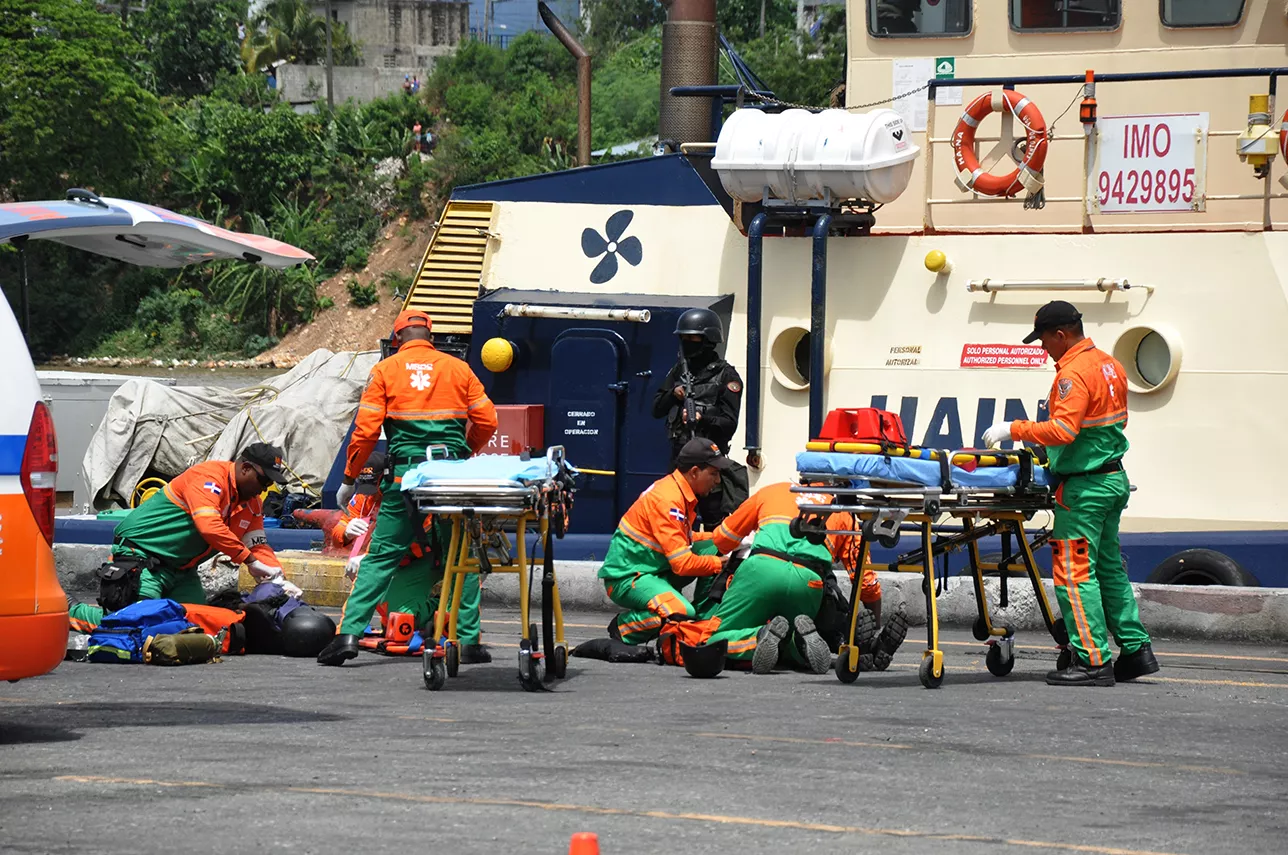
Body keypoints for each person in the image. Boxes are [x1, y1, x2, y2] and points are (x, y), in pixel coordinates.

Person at [982, 300, 1158, 687]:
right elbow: (1105, 426)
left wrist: (1015, 428)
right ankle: (1135, 650)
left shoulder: (1073, 374)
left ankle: (1093, 661)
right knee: (1109, 569)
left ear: (1060, 335)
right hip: (1111, 480)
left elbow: (1064, 430)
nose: (1042, 349)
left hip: (1085, 490)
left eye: (1044, 340)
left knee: (1074, 574)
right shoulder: (1109, 364)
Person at [318, 310, 498, 666]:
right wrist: (465, 453)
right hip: (450, 479)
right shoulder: (458, 369)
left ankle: (348, 636)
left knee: (380, 558)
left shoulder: (385, 371)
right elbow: (487, 420)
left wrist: (350, 479)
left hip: (404, 480)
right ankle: (467, 641)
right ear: (430, 336)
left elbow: (366, 431)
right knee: (460, 556)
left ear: (397, 339)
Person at [67, 443, 301, 630]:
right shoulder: (209, 478)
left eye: (271, 483)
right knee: (136, 623)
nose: (265, 487)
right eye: (264, 480)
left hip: (181, 570)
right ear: (245, 468)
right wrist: (249, 561)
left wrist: (278, 578)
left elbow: (257, 545)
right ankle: (69, 612)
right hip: (142, 558)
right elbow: (209, 526)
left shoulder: (252, 504)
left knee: (198, 625)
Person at [658, 481, 834, 675]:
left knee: (710, 640)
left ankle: (758, 637)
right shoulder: (843, 508)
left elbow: (722, 539)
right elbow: (865, 580)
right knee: (790, 636)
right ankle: (798, 645)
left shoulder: (773, 490)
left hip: (761, 570)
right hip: (810, 581)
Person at [333, 451, 489, 662]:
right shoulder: (366, 497)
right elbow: (340, 527)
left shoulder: (407, 499)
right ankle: (436, 610)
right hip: (416, 562)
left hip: (436, 553)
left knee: (463, 577)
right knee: (398, 615)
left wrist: (369, 557)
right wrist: (345, 530)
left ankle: (463, 631)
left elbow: (397, 544)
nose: (373, 492)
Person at [598, 438, 732, 645]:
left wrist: (728, 536)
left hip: (655, 569)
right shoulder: (669, 500)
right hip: (628, 578)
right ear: (695, 472)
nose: (717, 481)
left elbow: (684, 540)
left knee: (717, 545)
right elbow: (682, 563)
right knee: (679, 612)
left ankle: (702, 622)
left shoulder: (678, 492)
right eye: (713, 474)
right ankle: (624, 627)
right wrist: (720, 564)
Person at [651, 308, 748, 527]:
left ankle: (716, 562)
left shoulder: (726, 376)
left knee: (715, 521)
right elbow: (656, 409)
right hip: (680, 462)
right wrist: (673, 395)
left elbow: (729, 424)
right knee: (674, 518)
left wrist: (702, 418)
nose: (687, 342)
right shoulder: (679, 372)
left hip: (709, 464)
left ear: (707, 340)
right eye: (683, 338)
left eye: (692, 338)